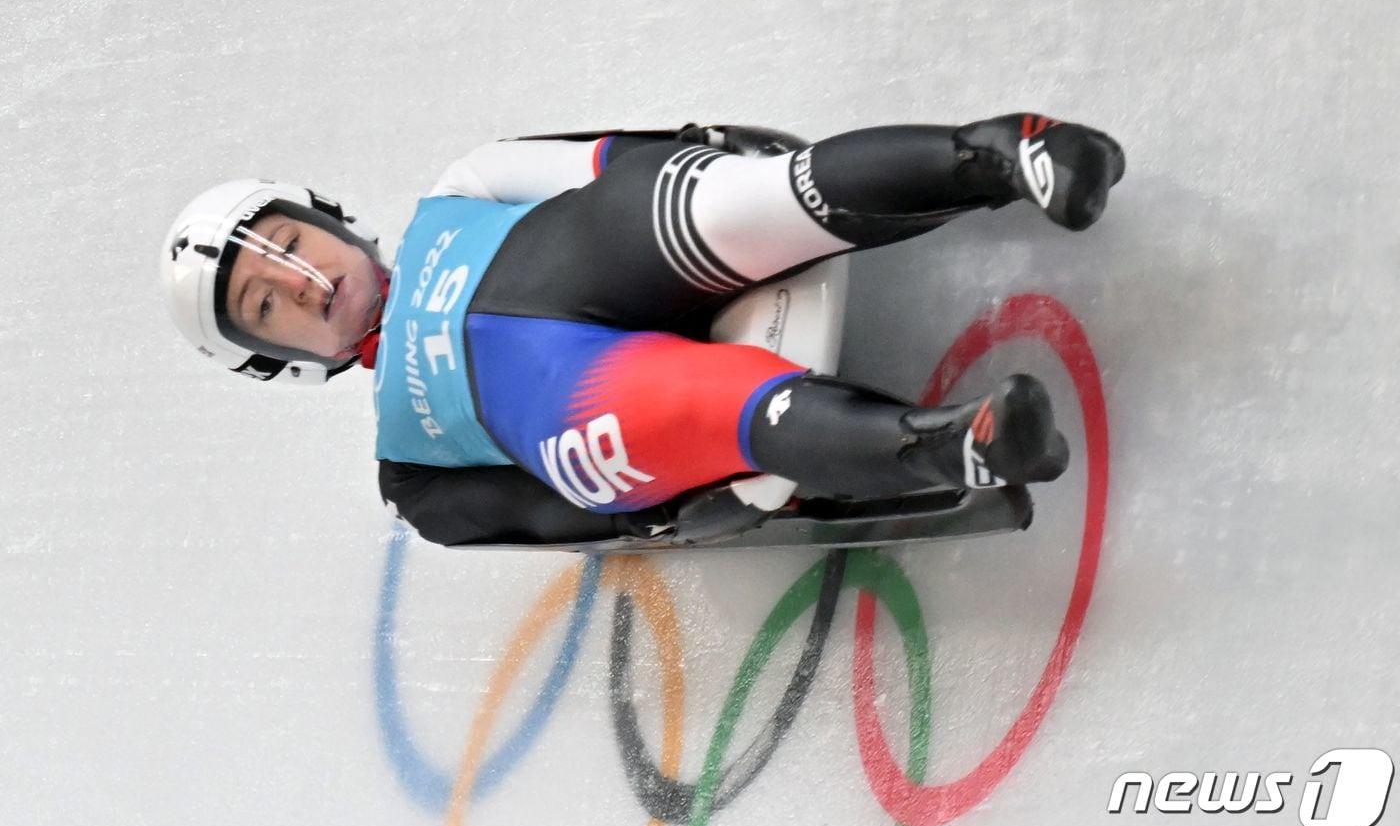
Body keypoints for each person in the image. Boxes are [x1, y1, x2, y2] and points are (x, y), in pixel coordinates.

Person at [160, 115, 1124, 546]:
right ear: (276, 360)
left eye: (288, 245)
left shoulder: (457, 188)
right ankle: (951, 445)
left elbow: (605, 157)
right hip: (577, 397)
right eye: (266, 305)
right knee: (701, 411)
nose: (302, 283)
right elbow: (560, 519)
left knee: (744, 200)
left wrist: (699, 161)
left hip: (597, 247)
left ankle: (1007, 153)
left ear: (326, 220)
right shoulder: (408, 475)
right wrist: (681, 513)